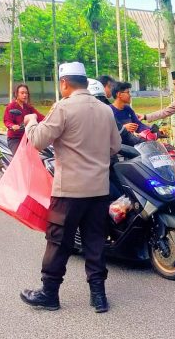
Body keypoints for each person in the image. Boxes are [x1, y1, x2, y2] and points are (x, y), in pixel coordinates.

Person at [20, 62, 121, 314]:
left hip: (69, 192)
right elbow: (114, 147)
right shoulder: (105, 110)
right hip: (98, 190)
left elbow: (38, 140)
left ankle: (49, 294)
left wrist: (31, 121)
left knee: (58, 242)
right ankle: (99, 296)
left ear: (64, 83)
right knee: (95, 242)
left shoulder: (63, 108)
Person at [3, 84, 45, 155]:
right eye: (22, 93)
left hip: (28, 137)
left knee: (38, 154)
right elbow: (7, 120)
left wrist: (49, 119)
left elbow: (39, 116)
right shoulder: (11, 106)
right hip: (15, 139)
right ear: (17, 94)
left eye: (26, 93)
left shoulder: (28, 107)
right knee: (20, 157)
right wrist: (13, 126)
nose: (25, 95)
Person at [110, 81, 149, 145]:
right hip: (118, 148)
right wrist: (123, 128)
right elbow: (107, 132)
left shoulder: (128, 109)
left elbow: (138, 125)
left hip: (132, 144)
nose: (130, 95)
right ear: (119, 94)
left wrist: (152, 131)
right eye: (128, 92)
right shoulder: (109, 111)